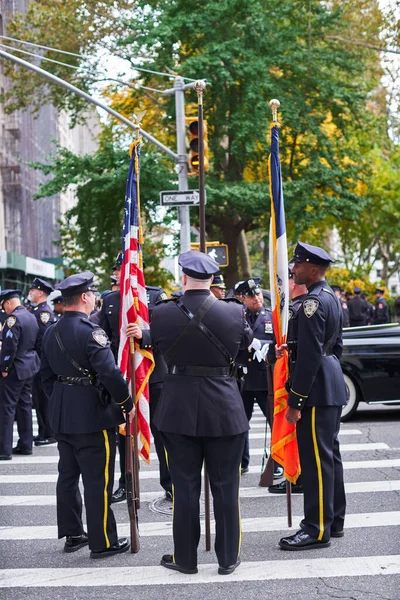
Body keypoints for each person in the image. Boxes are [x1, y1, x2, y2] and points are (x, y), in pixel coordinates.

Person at [149, 250, 252, 575]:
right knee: (225, 488)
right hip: (224, 407)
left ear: (183, 278)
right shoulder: (234, 312)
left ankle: (186, 558)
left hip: (178, 408)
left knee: (184, 487)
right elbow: (246, 349)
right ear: (212, 280)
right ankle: (226, 558)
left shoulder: (161, 313)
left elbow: (160, 347)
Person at [40, 271, 134, 557]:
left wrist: (62, 401)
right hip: (93, 416)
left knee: (67, 475)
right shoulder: (92, 332)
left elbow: (45, 377)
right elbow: (109, 373)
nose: (95, 299)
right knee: (98, 480)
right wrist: (126, 402)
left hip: (63, 413)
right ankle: (103, 541)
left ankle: (73, 534)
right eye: (93, 294)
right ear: (84, 297)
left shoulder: (51, 330)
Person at [278, 242, 346, 551]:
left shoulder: (312, 304)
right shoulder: (330, 297)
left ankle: (317, 529)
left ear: (314, 269)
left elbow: (308, 357)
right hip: (329, 381)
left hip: (316, 389)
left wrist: (296, 401)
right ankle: (335, 520)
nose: (293, 269)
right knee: (330, 456)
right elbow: (336, 346)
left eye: (299, 265)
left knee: (317, 461)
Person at [113, 282, 172, 503]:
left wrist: (144, 335)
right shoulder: (111, 299)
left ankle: (170, 483)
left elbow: (167, 332)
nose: (120, 274)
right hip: (122, 378)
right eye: (118, 270)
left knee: (161, 432)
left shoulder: (156, 296)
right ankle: (126, 485)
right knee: (124, 435)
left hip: (153, 376)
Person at [235, 278, 282, 478]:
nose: (257, 298)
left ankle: (277, 462)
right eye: (252, 295)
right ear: (242, 298)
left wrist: (264, 346)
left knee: (274, 421)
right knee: (239, 423)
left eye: (259, 294)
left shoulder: (272, 316)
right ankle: (241, 462)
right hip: (243, 379)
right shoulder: (236, 316)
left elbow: (277, 342)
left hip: (265, 379)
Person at [267, 270, 307, 494]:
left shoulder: (298, 309)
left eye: (287, 278)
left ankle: (298, 477)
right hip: (293, 380)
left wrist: (296, 398)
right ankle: (295, 476)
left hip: (298, 384)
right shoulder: (289, 310)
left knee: (299, 436)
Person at [0, 290, 40, 460]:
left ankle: (4, 449)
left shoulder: (13, 319)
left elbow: (9, 347)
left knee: (7, 407)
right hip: (29, 365)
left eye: (4, 306)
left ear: (8, 303)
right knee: (24, 405)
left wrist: (5, 367)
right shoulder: (31, 316)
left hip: (15, 367)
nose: (4, 310)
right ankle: (25, 444)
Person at [29, 277, 56, 446]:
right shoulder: (38, 311)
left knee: (43, 398)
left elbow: (44, 339)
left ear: (40, 292)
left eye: (32, 290)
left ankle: (48, 432)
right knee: (38, 399)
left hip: (41, 361)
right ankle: (43, 431)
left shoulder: (43, 312)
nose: (30, 293)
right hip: (38, 361)